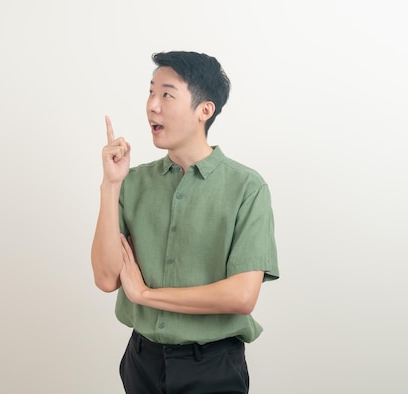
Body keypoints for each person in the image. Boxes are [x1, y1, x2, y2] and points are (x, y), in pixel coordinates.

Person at [91, 51, 279, 394]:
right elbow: (106, 278)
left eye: (167, 94)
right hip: (142, 360)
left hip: (212, 366)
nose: (152, 105)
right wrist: (111, 185)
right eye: (150, 92)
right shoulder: (132, 183)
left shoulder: (247, 187)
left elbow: (241, 296)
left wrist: (146, 295)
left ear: (204, 111)